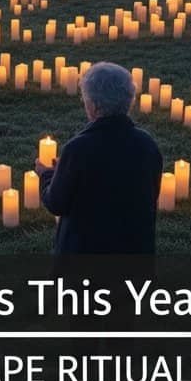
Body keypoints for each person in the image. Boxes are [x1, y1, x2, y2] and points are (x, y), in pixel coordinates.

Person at [38, 62, 163, 254]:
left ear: (94, 106)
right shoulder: (147, 145)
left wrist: (47, 175)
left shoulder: (78, 149)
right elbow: (151, 195)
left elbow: (56, 202)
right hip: (133, 252)